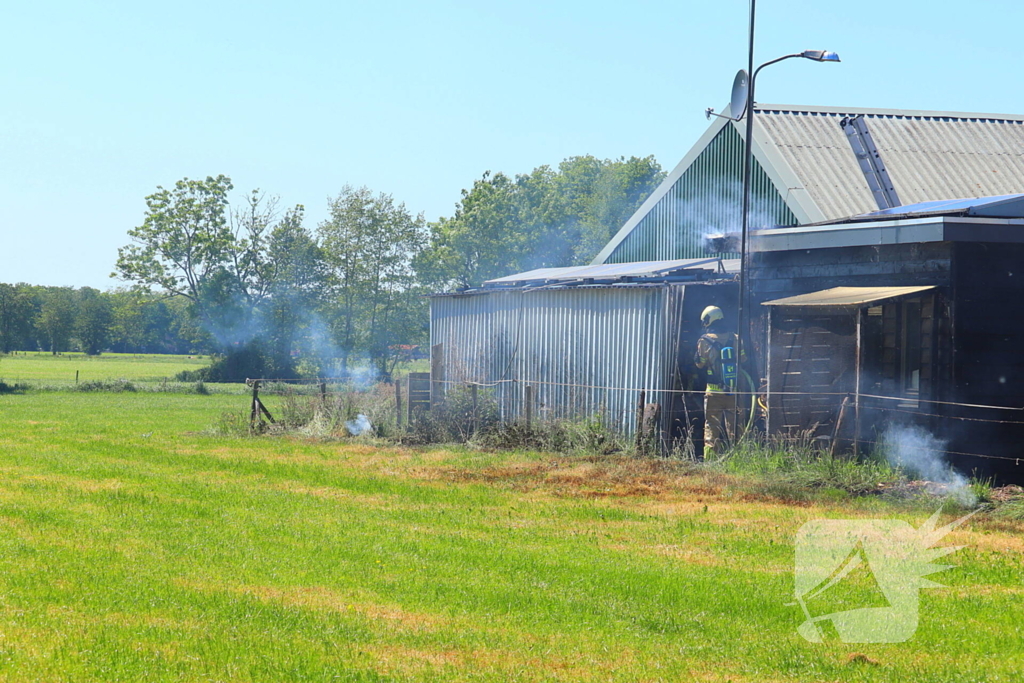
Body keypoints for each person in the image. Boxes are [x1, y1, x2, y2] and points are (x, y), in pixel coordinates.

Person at [693, 305, 745, 455]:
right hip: (733, 391)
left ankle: (711, 459)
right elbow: (743, 360)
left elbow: (699, 364)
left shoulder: (703, 341)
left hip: (713, 392)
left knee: (711, 427)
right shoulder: (736, 338)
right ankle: (738, 458)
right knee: (736, 428)